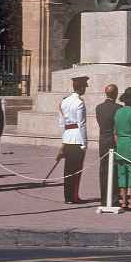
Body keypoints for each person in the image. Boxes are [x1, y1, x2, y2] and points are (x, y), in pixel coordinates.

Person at [58, 75, 88, 203]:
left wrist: (64, 140)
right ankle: (74, 197)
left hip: (68, 136)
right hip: (77, 138)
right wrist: (84, 142)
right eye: (84, 87)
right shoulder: (79, 103)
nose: (85, 89)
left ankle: (68, 196)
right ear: (80, 88)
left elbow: (61, 122)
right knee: (76, 170)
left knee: (68, 169)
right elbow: (82, 124)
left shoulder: (64, 101)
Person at [95, 84, 121, 207]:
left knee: (103, 170)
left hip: (103, 140)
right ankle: (114, 198)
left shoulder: (99, 108)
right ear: (116, 94)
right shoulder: (118, 108)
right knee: (114, 169)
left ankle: (104, 198)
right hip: (114, 140)